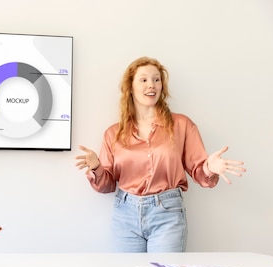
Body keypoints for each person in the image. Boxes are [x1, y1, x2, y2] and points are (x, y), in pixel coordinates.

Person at [75, 56, 246, 253]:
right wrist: (96, 167)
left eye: (157, 79)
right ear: (130, 87)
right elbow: (106, 185)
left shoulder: (181, 125)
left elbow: (200, 173)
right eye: (144, 79)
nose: (152, 85)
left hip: (168, 213)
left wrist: (209, 167)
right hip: (125, 215)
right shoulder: (113, 133)